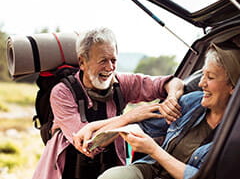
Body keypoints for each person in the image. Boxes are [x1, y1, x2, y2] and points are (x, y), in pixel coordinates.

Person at [32, 28, 184, 179]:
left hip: (109, 165)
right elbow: (87, 144)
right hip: (68, 168)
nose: (110, 67)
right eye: (103, 61)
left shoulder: (121, 83)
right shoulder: (62, 92)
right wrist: (129, 118)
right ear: (82, 62)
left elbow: (173, 82)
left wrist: (171, 97)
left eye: (114, 60)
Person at [97, 42, 240, 179]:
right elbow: (145, 124)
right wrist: (94, 128)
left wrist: (155, 150)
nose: (202, 83)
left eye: (210, 77)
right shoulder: (193, 101)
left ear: (234, 87)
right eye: (203, 74)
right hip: (151, 170)